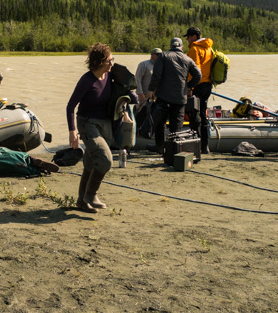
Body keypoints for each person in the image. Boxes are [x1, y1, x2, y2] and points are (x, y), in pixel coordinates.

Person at [66, 43, 136, 213]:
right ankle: (91, 194)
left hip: (105, 125)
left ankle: (82, 202)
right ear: (99, 62)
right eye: (110, 60)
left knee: (90, 164)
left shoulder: (110, 76)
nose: (112, 63)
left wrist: (124, 107)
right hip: (87, 124)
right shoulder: (87, 80)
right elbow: (70, 106)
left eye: (113, 59)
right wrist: (72, 132)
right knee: (105, 159)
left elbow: (124, 94)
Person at [146, 38, 202, 153]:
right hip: (180, 98)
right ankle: (175, 150)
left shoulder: (163, 56)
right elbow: (198, 75)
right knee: (176, 126)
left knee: (160, 122)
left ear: (171, 45)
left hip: (163, 96)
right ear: (181, 47)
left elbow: (156, 75)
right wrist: (188, 86)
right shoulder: (188, 59)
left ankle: (160, 146)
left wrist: (151, 90)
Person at [185, 26, 214, 153]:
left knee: (194, 114)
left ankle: (195, 144)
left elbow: (194, 70)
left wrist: (190, 87)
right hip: (208, 85)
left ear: (194, 37)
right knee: (203, 113)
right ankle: (205, 146)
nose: (187, 40)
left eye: (188, 37)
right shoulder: (209, 48)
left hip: (197, 85)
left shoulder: (194, 49)